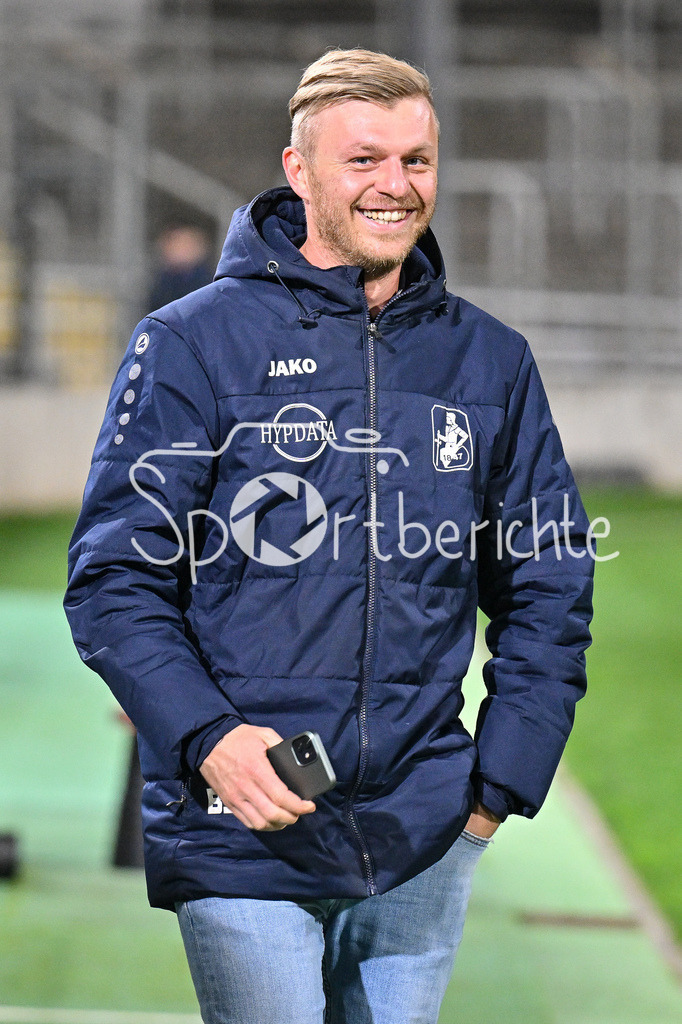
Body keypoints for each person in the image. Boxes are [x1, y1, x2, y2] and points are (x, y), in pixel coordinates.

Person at [65, 49, 594, 1024]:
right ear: (299, 170)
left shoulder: (492, 361)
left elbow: (549, 582)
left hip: (424, 836)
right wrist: (209, 740)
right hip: (240, 827)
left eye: (416, 159)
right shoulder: (190, 342)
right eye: (364, 159)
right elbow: (114, 579)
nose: (396, 184)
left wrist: (498, 786)